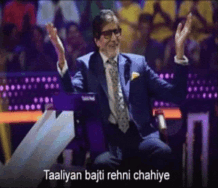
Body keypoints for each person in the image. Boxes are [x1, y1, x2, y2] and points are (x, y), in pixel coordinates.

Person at [46, 9, 192, 187]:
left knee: (164, 154)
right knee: (101, 166)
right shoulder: (86, 65)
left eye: (117, 32)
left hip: (142, 138)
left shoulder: (138, 63)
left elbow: (176, 95)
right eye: (108, 34)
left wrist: (179, 52)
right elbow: (72, 95)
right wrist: (61, 58)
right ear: (97, 40)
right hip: (110, 143)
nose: (114, 38)